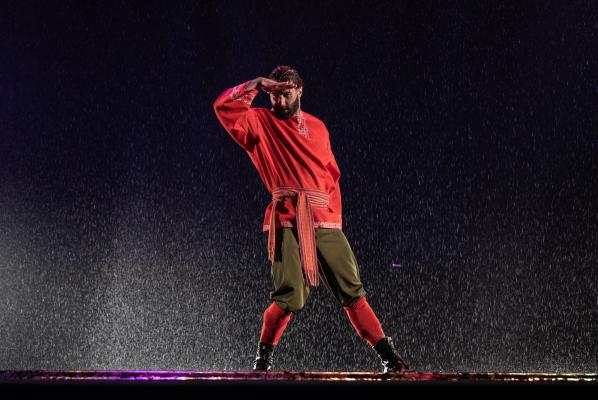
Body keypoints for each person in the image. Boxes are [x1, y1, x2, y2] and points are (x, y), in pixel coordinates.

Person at [213, 65, 409, 373]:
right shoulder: (259, 121)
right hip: (287, 218)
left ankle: (390, 358)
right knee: (290, 296)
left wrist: (334, 218)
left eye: (286, 94)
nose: (279, 101)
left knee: (352, 291)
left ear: (300, 91)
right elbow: (223, 106)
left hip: (323, 219)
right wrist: (255, 84)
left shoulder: (318, 127)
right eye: (274, 95)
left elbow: (332, 176)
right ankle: (262, 361)